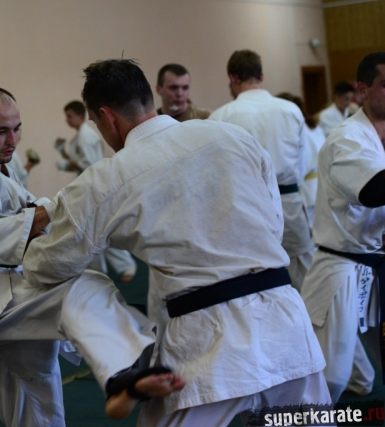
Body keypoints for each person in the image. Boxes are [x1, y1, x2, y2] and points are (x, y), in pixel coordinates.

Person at [23, 59, 330, 426]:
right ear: (148, 97)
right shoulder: (232, 137)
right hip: (285, 323)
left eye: (95, 122)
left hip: (208, 339)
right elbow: (273, 223)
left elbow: (51, 265)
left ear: (106, 117)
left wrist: (28, 239)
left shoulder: (107, 178)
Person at [0, 86, 183, 427]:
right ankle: (127, 367)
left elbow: (31, 216)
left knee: (39, 409)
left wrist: (64, 211)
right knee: (82, 288)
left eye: (17, 129)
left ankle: (130, 351)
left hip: (11, 291)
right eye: (1, 131)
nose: (12, 140)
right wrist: (54, 208)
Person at [300, 51, 385, 401]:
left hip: (376, 263)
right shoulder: (347, 137)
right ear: (362, 90)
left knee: (362, 377)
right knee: (329, 378)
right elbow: (372, 191)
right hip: (342, 266)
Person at [209, 50, 314, 291]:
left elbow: (220, 170)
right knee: (302, 273)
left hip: (246, 208)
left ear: (232, 78)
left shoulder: (221, 116)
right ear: (262, 76)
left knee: (257, 275)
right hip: (289, 202)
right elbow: (303, 161)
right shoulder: (290, 110)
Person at [55, 100, 137, 282]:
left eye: (69, 116)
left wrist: (68, 163)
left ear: (79, 115)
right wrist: (63, 153)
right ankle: (100, 270)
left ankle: (126, 266)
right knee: (94, 232)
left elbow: (89, 164)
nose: (67, 120)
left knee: (103, 230)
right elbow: (77, 161)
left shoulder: (86, 136)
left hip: (96, 187)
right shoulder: (78, 137)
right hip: (89, 187)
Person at [276, 92, 326, 230]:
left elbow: (302, 162)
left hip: (307, 187)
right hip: (320, 185)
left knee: (310, 232)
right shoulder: (314, 126)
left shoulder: (296, 128)